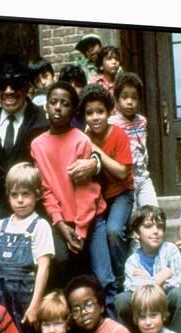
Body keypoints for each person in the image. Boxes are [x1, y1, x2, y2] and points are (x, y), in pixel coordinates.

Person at [0, 53, 98, 285]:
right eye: (2, 85)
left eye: (16, 85)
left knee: (59, 257)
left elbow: (80, 139)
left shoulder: (44, 119)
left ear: (28, 87)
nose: (9, 91)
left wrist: (94, 162)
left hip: (36, 201)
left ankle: (48, 306)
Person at [30, 81, 117, 312]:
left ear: (73, 110)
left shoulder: (80, 139)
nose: (58, 108)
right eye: (53, 102)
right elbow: (45, 190)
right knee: (62, 267)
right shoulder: (37, 145)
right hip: (62, 221)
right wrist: (59, 224)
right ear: (46, 107)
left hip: (91, 219)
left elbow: (86, 192)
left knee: (104, 277)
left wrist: (79, 230)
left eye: (65, 104)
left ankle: (113, 326)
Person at [0, 162, 55, 333]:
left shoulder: (40, 226)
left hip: (26, 300)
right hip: (0, 298)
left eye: (25, 194)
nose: (20, 200)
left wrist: (34, 306)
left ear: (37, 194)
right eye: (14, 195)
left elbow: (44, 268)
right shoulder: (0, 226)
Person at [81, 84, 134, 291]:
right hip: (98, 198)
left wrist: (94, 148)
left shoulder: (119, 135)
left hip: (121, 193)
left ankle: (121, 278)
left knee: (113, 231)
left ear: (109, 112)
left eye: (100, 112)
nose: (95, 117)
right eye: (89, 113)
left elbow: (122, 172)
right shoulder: (83, 137)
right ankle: (105, 281)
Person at [114, 205, 181, 333]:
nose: (156, 231)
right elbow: (132, 288)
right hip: (143, 308)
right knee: (121, 300)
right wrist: (160, 279)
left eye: (160, 227)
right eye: (148, 226)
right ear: (137, 233)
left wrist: (147, 282)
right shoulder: (132, 261)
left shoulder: (171, 250)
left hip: (167, 302)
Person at [109, 72, 159, 208]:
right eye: (124, 97)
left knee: (153, 212)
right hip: (124, 183)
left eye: (134, 98)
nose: (129, 102)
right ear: (117, 99)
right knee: (133, 220)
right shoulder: (111, 123)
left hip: (143, 178)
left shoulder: (142, 121)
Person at [65, 275, 131, 333]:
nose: (83, 312)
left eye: (89, 305)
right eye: (76, 310)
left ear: (101, 305)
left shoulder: (118, 332)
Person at [58, 64, 88, 130]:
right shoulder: (57, 112)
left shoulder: (88, 110)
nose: (73, 89)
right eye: (68, 85)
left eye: (77, 85)